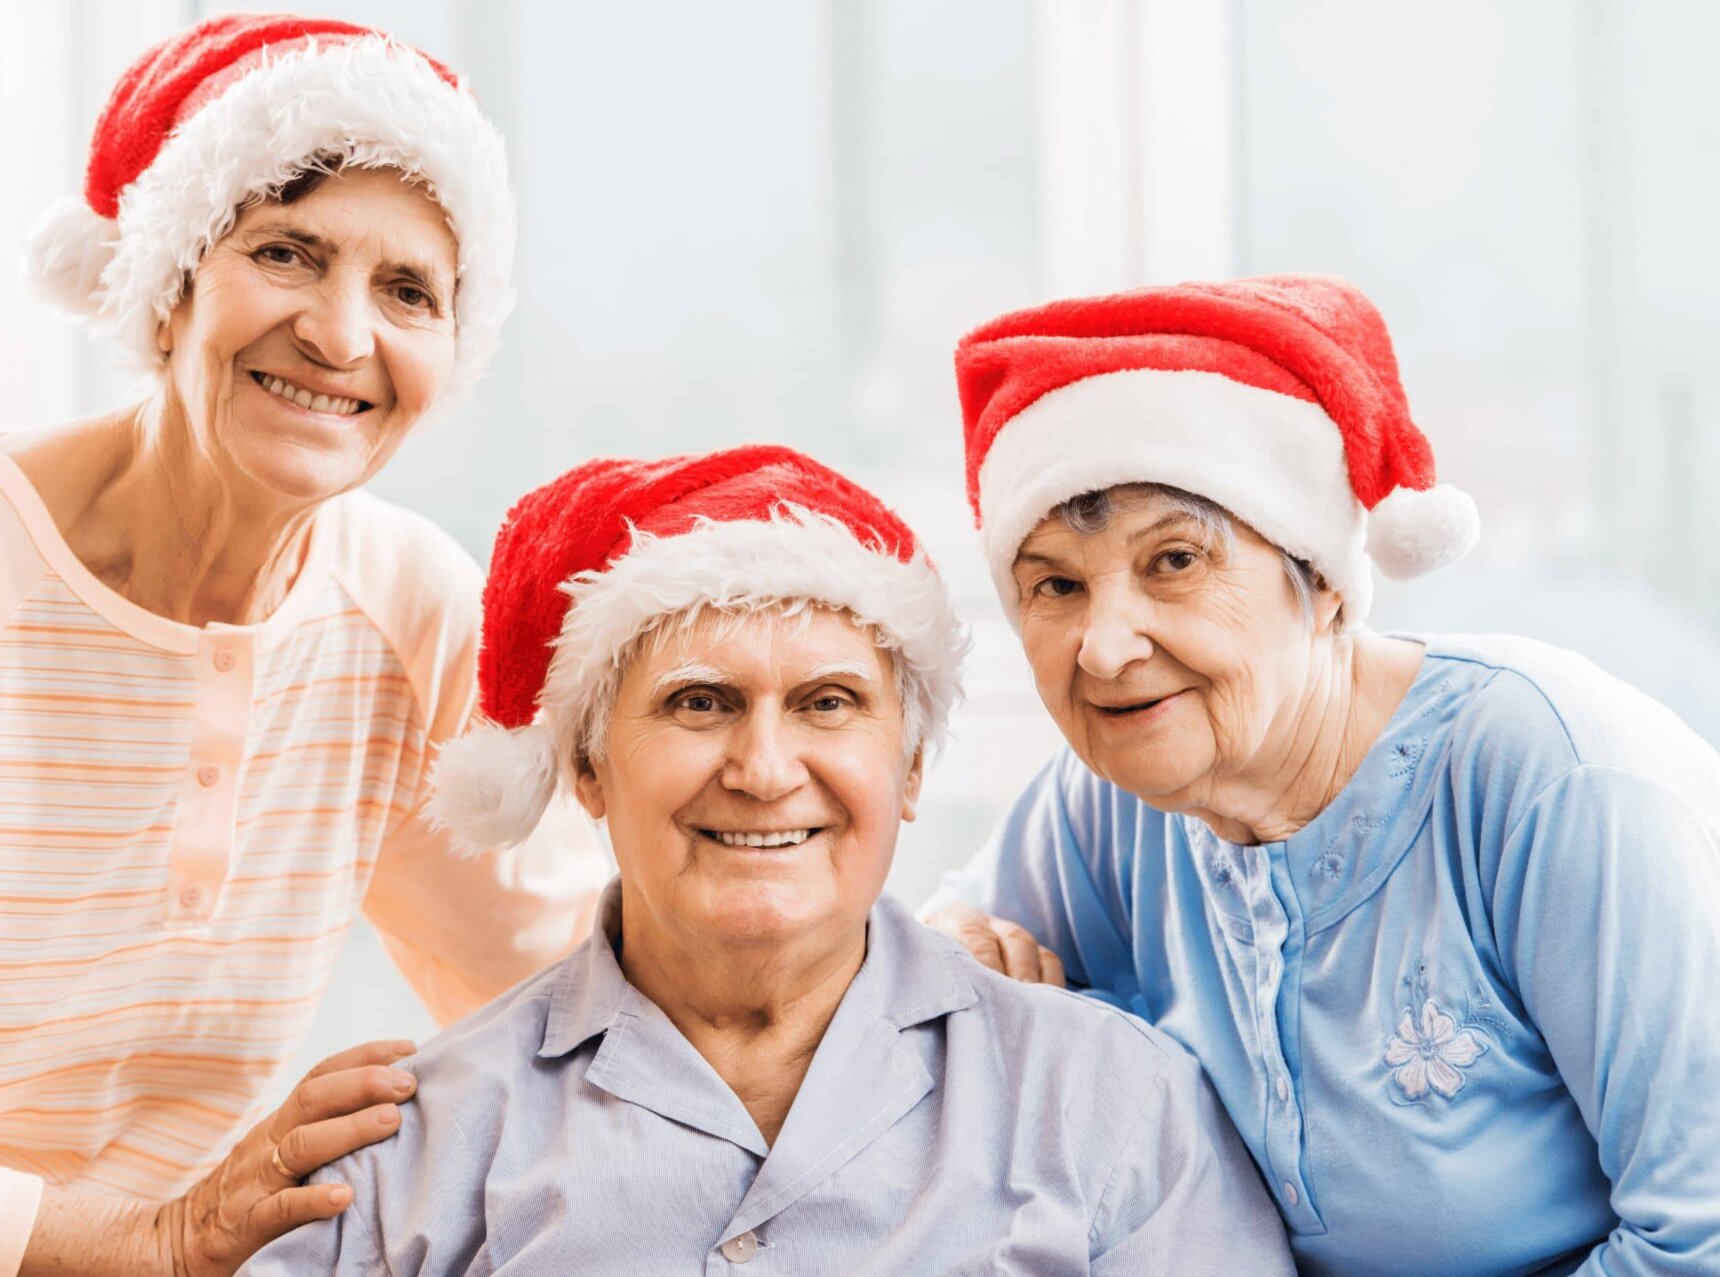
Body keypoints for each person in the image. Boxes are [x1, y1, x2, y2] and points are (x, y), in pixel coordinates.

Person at [0, 15, 604, 1276]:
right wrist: (153, 1240)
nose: (342, 337)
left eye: (409, 292)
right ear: (168, 285)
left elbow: (574, 1002)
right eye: (287, 253)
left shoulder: (407, 608)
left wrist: (933, 969)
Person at [241, 445, 1295, 1276]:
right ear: (588, 771)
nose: (763, 766)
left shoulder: (1115, 1105)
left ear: (911, 768)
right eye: (700, 703)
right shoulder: (407, 1147)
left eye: (828, 703)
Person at [926, 274, 1720, 1274]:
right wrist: (953, 961)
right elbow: (915, 1010)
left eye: (1173, 560)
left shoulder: (1548, 782)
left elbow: (1700, 1239)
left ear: (1328, 584)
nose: (1105, 645)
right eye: (1056, 584)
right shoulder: (1111, 802)